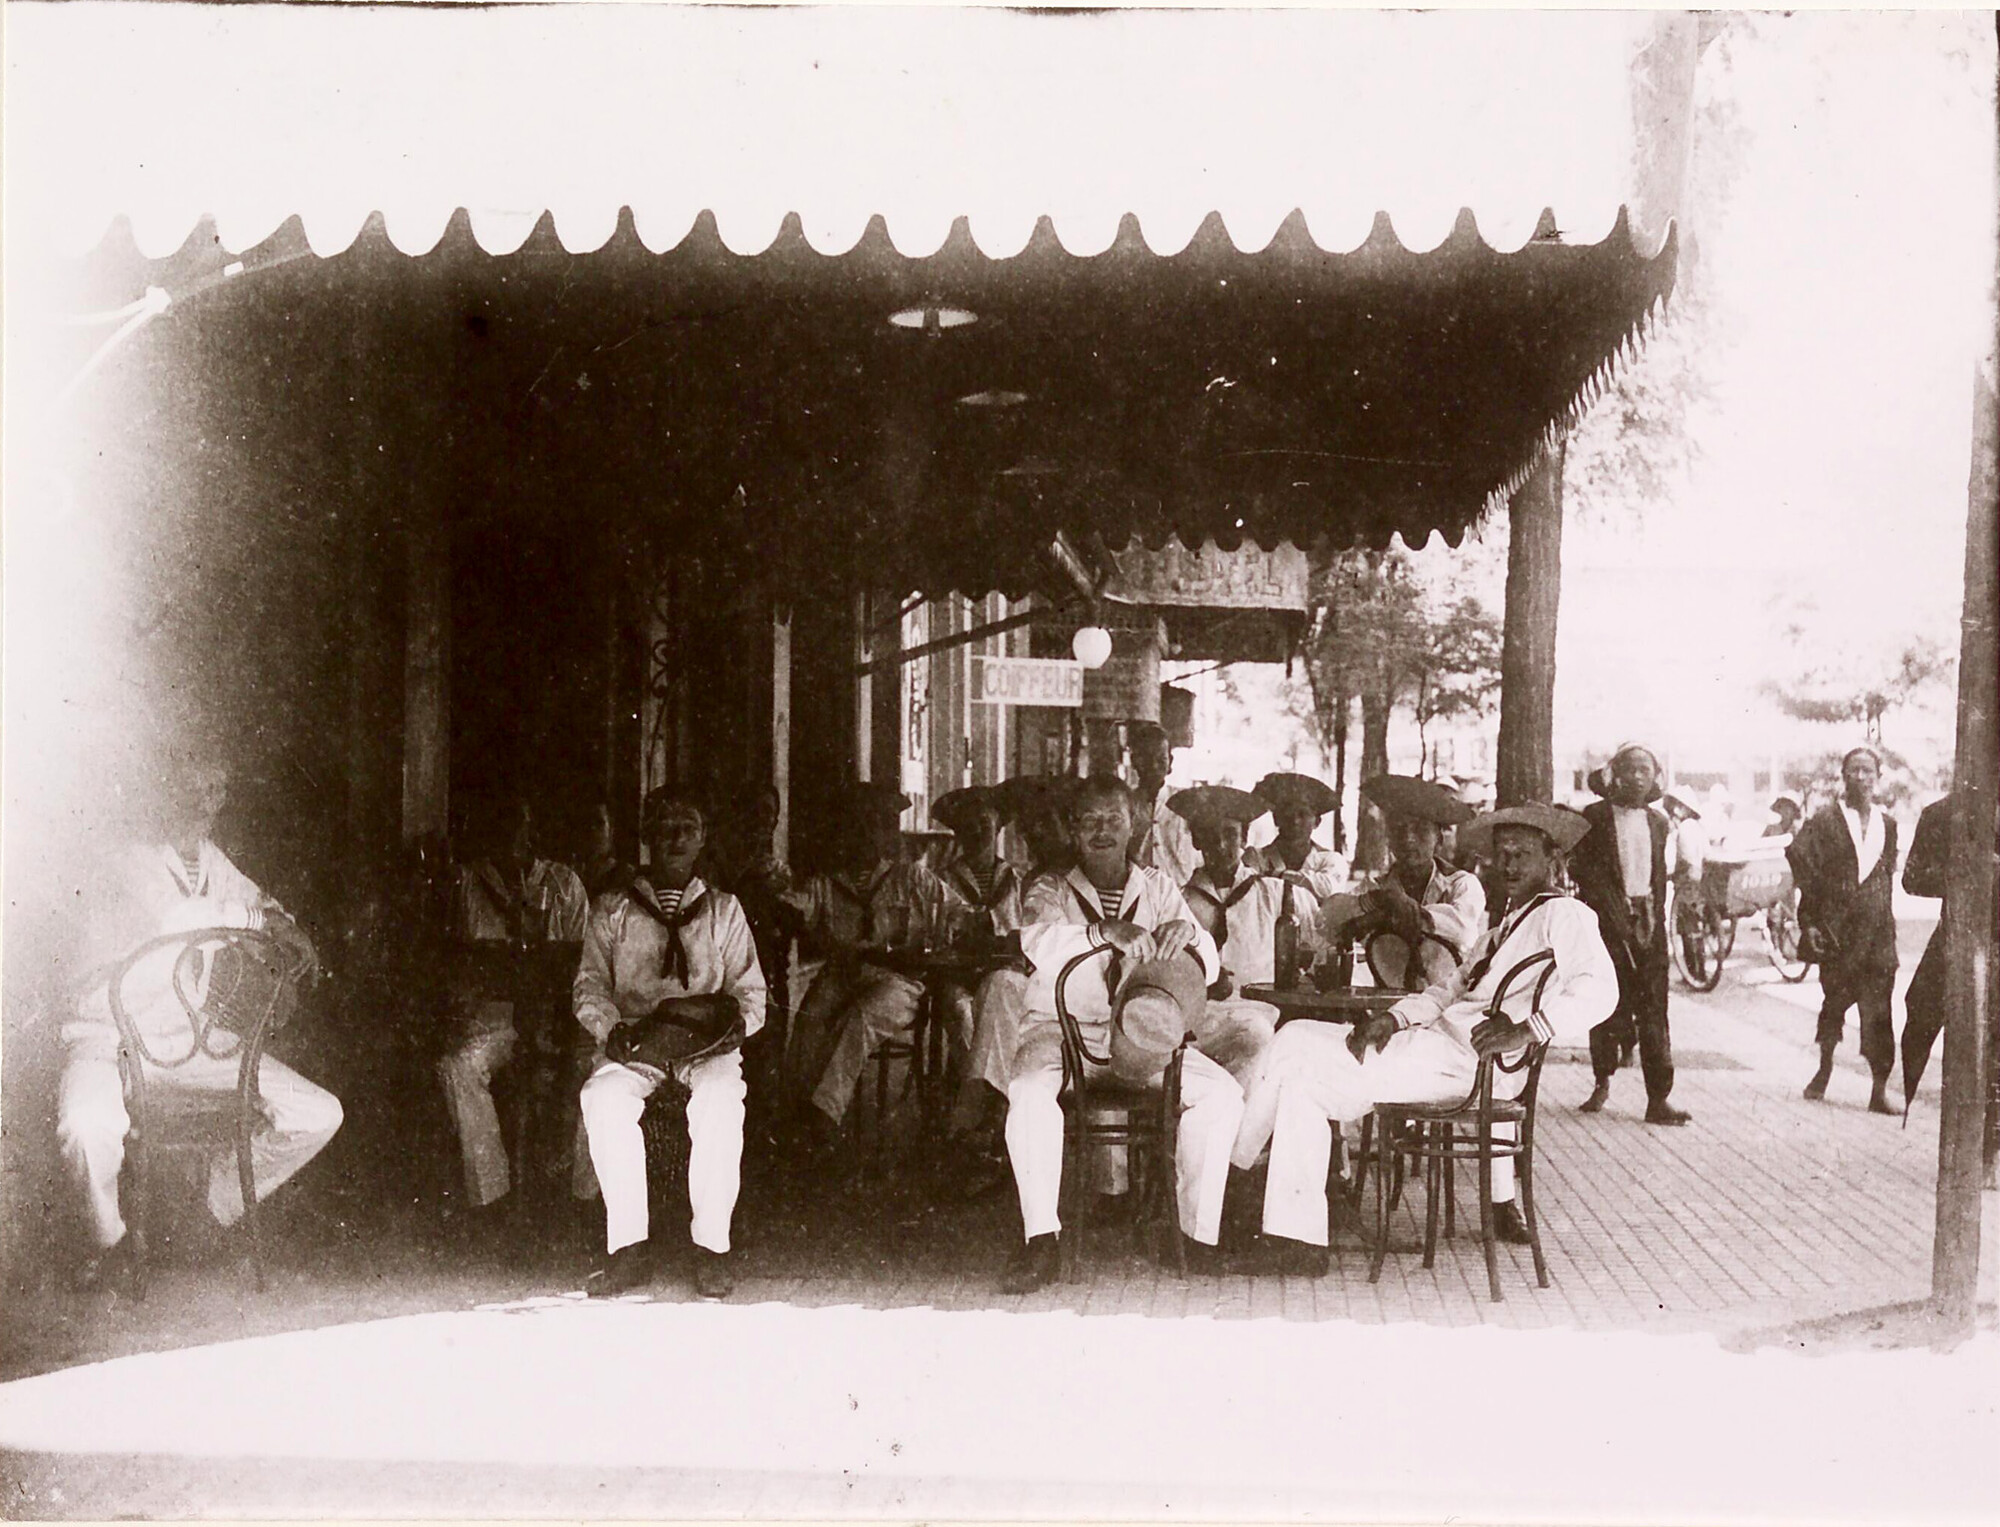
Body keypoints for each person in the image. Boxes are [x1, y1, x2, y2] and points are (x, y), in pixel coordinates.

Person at [1232, 804, 1615, 1273]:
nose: (1510, 865)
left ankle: (1241, 1191)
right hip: (1434, 1048)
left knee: (1301, 1071)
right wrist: (1393, 1019)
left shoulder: (1565, 914)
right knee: (1295, 1043)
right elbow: (1446, 990)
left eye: (1523, 855)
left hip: (1465, 1064)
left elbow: (1600, 989)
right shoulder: (1504, 927)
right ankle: (1287, 1229)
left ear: (1552, 862)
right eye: (1503, 855)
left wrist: (1526, 1030)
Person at [58, 755, 343, 1291]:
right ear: (162, 789)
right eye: (191, 787)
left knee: (317, 1112)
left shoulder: (209, 861)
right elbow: (179, 917)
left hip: (189, 1045)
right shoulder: (126, 857)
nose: (204, 803)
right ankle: (112, 1242)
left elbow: (259, 899)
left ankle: (208, 1211)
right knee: (85, 1128)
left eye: (216, 788)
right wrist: (259, 922)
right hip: (108, 1040)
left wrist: (280, 918)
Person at [999, 774, 1226, 1292]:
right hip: (1062, 1033)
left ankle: (1189, 1233)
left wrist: (1186, 933)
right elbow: (1037, 941)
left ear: (1134, 825)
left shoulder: (1159, 887)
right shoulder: (1050, 888)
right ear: (1074, 830)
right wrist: (1103, 932)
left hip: (1141, 1038)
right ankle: (1041, 1241)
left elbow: (1208, 965)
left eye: (1113, 819)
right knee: (1028, 1094)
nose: (1102, 831)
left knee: (1223, 1097)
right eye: (1090, 821)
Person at [574, 786, 766, 1298]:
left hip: (705, 1044)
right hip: (637, 1041)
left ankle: (711, 1248)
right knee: (602, 1098)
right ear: (646, 837)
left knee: (723, 1100)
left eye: (688, 827)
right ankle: (629, 1247)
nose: (676, 837)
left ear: (703, 839)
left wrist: (731, 1031)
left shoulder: (723, 910)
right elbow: (590, 984)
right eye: (664, 826)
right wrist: (611, 1030)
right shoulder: (613, 909)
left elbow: (750, 992)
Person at [781, 784, 961, 1151]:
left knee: (863, 1016)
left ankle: (824, 1116)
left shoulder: (911, 878)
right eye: (857, 826)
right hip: (843, 973)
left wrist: (955, 928)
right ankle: (793, 1113)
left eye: (877, 826)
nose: (867, 835)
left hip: (899, 980)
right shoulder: (827, 883)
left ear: (888, 834)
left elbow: (957, 912)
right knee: (810, 1016)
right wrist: (783, 898)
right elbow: (797, 906)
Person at [438, 796, 589, 1220]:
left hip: (557, 1019)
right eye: (501, 824)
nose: (512, 836)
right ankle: (494, 1198)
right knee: (457, 1067)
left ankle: (585, 1203)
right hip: (496, 1021)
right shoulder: (466, 883)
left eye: (520, 824)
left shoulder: (564, 883)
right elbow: (456, 967)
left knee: (600, 1072)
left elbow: (587, 966)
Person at [1569, 743, 1690, 1126]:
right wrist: (1611, 908)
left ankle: (1658, 1097)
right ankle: (1602, 1080)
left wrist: (1649, 914)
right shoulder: (1594, 817)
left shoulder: (1658, 822)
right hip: (1606, 923)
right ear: (1615, 774)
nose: (1638, 777)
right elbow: (1583, 871)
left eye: (1645, 770)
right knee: (1605, 1004)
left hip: (1648, 923)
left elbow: (1657, 875)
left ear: (1655, 777)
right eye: (1630, 769)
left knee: (1655, 1008)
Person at [1788, 747, 1901, 1114]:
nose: (1862, 778)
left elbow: (1886, 874)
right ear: (1844, 776)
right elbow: (1801, 864)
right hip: (1840, 932)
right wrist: (1812, 922)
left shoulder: (1889, 824)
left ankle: (1879, 1089)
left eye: (1869, 771)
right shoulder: (1825, 821)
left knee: (1879, 1009)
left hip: (1879, 932)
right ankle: (1824, 1068)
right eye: (1854, 771)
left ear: (1878, 777)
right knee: (1834, 1001)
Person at [1171, 784, 1295, 1088]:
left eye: (1229, 834)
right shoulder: (1176, 902)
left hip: (1254, 1015)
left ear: (1243, 839)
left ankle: (1236, 1132)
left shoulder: (1276, 895)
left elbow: (1325, 932)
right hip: (1195, 1021)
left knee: (1256, 1039)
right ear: (1197, 841)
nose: (1220, 845)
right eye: (1209, 835)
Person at [1321, 775, 1485, 991]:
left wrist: (1385, 912)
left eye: (1420, 830)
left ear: (1438, 840)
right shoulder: (1378, 887)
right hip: (1386, 1003)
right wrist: (1379, 899)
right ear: (1389, 839)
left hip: (1447, 1002)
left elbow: (1463, 931)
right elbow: (1327, 919)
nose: (1408, 839)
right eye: (1399, 830)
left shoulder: (1461, 884)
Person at [1244, 772, 1350, 900]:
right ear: (1276, 819)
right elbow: (1247, 891)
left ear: (1316, 822)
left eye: (1303, 814)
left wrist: (1274, 875)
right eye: (1288, 813)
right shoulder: (1256, 857)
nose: (1295, 821)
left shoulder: (1330, 860)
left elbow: (1328, 889)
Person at [1126, 721, 1199, 891]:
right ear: (1135, 761)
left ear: (1170, 761)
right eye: (1146, 758)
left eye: (1161, 759)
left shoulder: (1187, 801)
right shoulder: (1125, 802)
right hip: (1138, 895)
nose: (1153, 766)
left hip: (1181, 896)